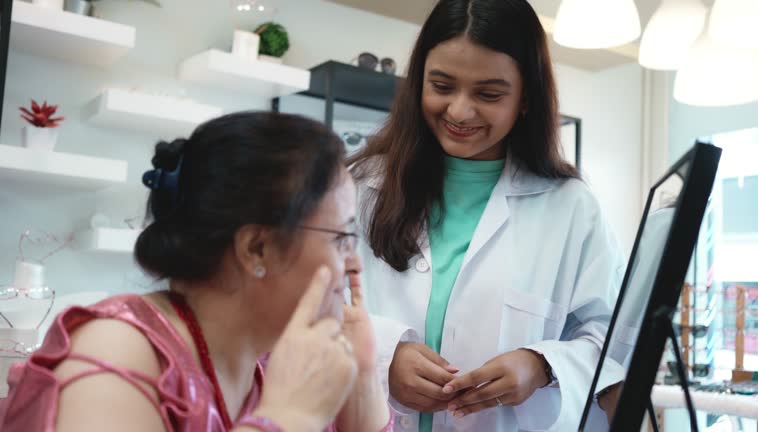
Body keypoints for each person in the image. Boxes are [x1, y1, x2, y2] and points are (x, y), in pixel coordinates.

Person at [0, 112, 394, 432]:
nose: (353, 261)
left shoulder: (268, 362)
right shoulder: (116, 349)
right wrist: (286, 419)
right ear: (256, 247)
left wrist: (361, 376)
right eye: (342, 236)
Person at [348, 0, 626, 430]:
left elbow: (613, 340)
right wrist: (383, 354)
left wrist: (541, 365)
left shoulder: (571, 207)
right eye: (441, 86)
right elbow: (307, 311)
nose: (459, 111)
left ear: (527, 98)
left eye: (488, 94)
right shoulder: (359, 187)